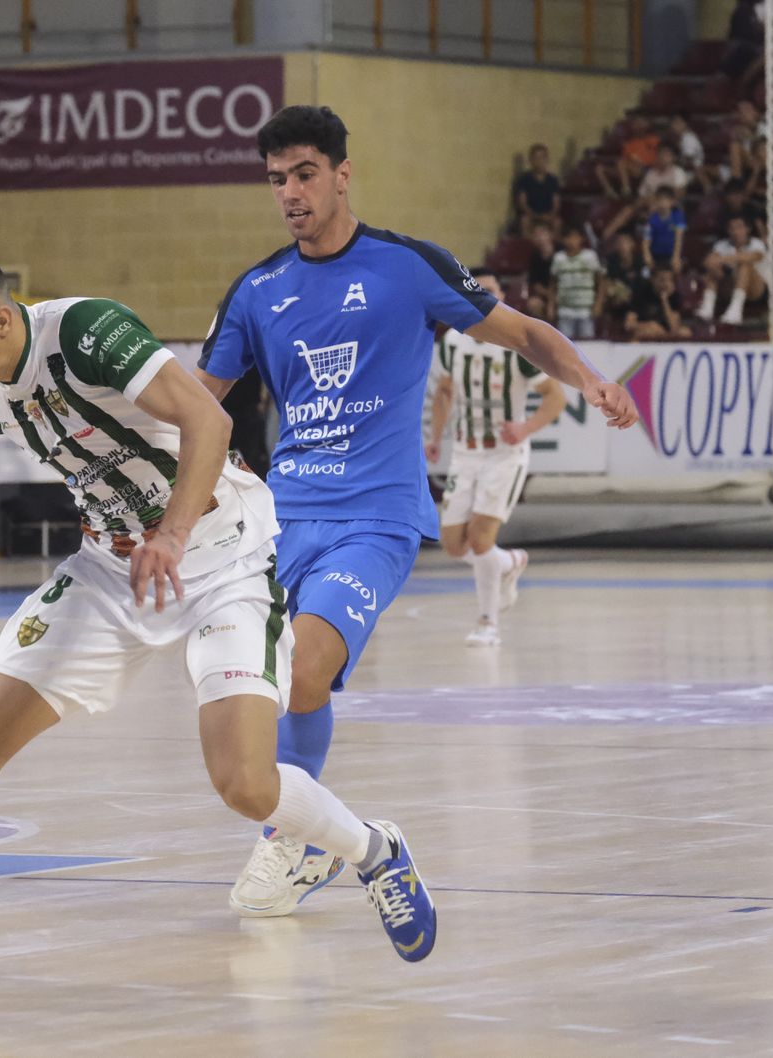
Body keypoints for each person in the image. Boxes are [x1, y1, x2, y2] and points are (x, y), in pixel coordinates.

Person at [0, 242, 432, 1003]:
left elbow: (208, 419)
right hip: (112, 569)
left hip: (223, 559)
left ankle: (374, 850)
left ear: (1, 321)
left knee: (244, 784)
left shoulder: (86, 330)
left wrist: (173, 533)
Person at [194, 105, 638, 920]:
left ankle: (292, 842)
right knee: (275, 689)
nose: (289, 193)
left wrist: (592, 381)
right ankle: (310, 833)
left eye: (303, 175)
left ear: (341, 174)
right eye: (276, 180)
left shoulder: (407, 265)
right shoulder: (257, 290)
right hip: (281, 518)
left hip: (377, 517)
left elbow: (525, 334)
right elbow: (196, 405)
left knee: (304, 669)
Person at [425, 270, 565, 645]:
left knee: (481, 539)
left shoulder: (517, 345)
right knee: (453, 544)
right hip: (465, 453)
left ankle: (488, 622)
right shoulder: (453, 341)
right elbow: (444, 391)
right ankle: (510, 562)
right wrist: (435, 436)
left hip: (504, 454)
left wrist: (525, 428)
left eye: (489, 290)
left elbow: (556, 398)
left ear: (501, 296)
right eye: (476, 289)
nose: (482, 295)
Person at [698, 216, 769, 325]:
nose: (736, 232)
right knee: (712, 271)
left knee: (744, 266)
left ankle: (736, 310)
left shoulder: (756, 243)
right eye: (732, 228)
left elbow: (753, 257)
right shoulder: (721, 245)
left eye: (739, 228)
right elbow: (707, 261)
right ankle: (707, 309)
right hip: (731, 285)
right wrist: (716, 269)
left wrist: (722, 259)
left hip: (756, 290)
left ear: (747, 229)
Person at [550, 226, 605, 340]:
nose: (572, 241)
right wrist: (551, 305)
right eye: (569, 237)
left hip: (586, 310)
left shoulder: (590, 256)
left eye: (575, 237)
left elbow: (600, 282)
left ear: (581, 239)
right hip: (565, 311)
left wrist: (598, 303)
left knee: (588, 346)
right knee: (564, 345)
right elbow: (553, 284)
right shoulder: (559, 258)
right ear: (564, 240)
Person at [627, 263, 693, 339]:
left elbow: (674, 327)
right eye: (662, 279)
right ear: (652, 279)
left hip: (667, 333)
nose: (666, 284)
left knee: (684, 332)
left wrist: (665, 300)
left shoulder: (674, 296)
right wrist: (650, 325)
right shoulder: (641, 293)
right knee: (646, 331)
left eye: (669, 280)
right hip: (646, 332)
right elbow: (629, 324)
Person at [512, 144, 560, 238]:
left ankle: (551, 245)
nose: (539, 161)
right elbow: (522, 203)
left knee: (557, 222)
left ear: (546, 159)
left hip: (548, 216)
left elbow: (556, 204)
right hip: (531, 216)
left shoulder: (553, 180)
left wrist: (550, 215)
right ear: (531, 160)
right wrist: (536, 216)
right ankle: (531, 244)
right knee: (524, 221)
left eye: (542, 157)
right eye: (536, 158)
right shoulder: (524, 179)